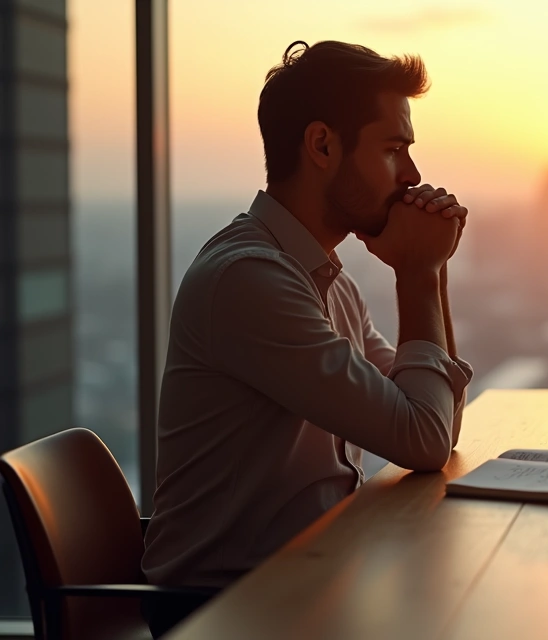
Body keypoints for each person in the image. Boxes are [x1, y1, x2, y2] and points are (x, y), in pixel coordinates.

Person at [140, 40, 471, 635]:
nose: (413, 175)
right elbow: (423, 438)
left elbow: (431, 424)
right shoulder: (251, 280)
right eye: (393, 149)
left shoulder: (322, 278)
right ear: (322, 145)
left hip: (311, 576)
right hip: (225, 611)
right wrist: (418, 273)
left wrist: (433, 268)